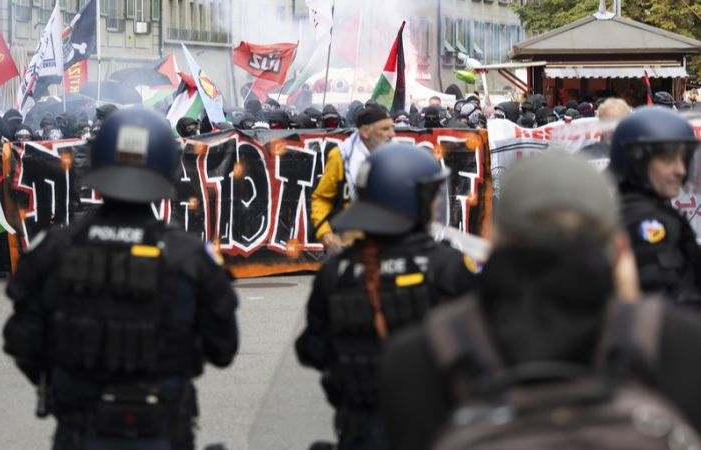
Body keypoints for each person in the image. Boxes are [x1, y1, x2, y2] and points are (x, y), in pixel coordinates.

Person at [379, 153, 701, 449]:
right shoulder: (676, 343)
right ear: (618, 249)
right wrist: (631, 306)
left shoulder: (422, 356)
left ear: (490, 239)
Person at [3, 109, 239, 450]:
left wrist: (64, 383)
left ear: (97, 162)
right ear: (165, 167)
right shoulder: (190, 257)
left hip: (79, 430)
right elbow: (223, 349)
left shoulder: (55, 249)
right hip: (162, 430)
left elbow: (22, 341)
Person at [297, 143, 476, 450]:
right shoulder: (447, 266)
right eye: (431, 196)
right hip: (438, 429)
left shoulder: (335, 272)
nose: (436, 205)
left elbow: (313, 349)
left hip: (360, 428)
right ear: (410, 201)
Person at [609, 106, 701, 306]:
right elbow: (662, 302)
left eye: (683, 159)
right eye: (668, 159)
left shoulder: (644, 209)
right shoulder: (646, 222)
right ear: (637, 162)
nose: (680, 170)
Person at [311, 105, 394, 255]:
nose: (392, 134)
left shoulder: (397, 157)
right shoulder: (341, 157)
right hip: (346, 248)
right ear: (365, 131)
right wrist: (325, 233)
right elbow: (321, 199)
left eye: (392, 128)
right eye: (385, 129)